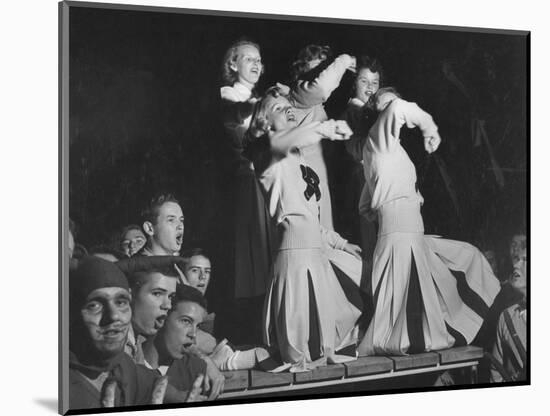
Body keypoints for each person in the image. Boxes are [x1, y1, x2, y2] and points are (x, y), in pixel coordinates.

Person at [356, 88, 501, 356]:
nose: (392, 109)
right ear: (378, 110)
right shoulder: (379, 137)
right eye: (386, 104)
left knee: (466, 257)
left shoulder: (386, 148)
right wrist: (430, 129)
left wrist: (400, 206)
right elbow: (399, 108)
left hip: (406, 230)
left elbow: (364, 205)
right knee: (408, 321)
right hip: (402, 232)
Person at [245, 86, 365, 372]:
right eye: (277, 108)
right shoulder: (266, 152)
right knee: (296, 355)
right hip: (295, 260)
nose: (287, 109)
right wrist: (325, 128)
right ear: (263, 123)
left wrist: (340, 243)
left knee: (322, 352)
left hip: (317, 257)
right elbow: (287, 141)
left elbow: (312, 217)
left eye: (288, 106)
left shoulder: (300, 162)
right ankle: (234, 359)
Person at [116, 256, 225, 400]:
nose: (167, 305)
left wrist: (206, 361)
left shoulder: (134, 342)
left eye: (171, 296)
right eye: (157, 293)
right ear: (130, 295)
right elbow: (130, 375)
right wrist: (176, 396)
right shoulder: (116, 336)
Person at [68, 256, 168, 410]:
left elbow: (158, 385)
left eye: (121, 302)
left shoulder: (123, 367)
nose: (114, 316)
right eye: (94, 305)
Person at [288, 45, 357, 231]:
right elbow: (321, 88)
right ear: (301, 67)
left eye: (325, 67)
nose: (323, 71)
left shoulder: (316, 104)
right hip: (304, 180)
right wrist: (344, 59)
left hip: (319, 179)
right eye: (318, 65)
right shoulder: (297, 91)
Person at [179, 248, 272, 371]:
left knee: (267, 352)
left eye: (207, 271)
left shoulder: (203, 305)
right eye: (195, 270)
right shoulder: (175, 305)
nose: (202, 277)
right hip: (205, 356)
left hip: (219, 350)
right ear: (181, 274)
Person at [340, 56, 384, 261]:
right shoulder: (349, 114)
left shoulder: (373, 113)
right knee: (367, 240)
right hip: (359, 183)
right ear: (354, 83)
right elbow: (354, 150)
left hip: (375, 182)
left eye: (375, 82)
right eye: (364, 81)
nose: (370, 87)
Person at [142, 285, 209, 396]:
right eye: (186, 321)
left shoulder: (195, 369)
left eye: (197, 326)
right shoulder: (129, 362)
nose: (193, 334)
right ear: (163, 317)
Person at [490, 247, 527, 382]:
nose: (516, 265)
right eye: (517, 260)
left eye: (526, 260)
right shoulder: (506, 317)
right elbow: (497, 371)